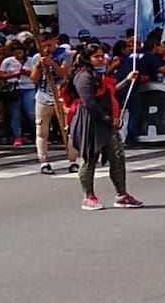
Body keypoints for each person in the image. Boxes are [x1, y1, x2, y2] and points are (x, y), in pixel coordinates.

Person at [64, 43, 143, 211]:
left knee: (117, 156)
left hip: (105, 122)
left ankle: (122, 194)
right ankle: (88, 197)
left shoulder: (100, 77)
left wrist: (128, 81)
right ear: (88, 59)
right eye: (96, 57)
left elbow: (110, 92)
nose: (101, 59)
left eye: (102, 56)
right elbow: (89, 103)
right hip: (90, 121)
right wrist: (108, 119)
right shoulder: (83, 77)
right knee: (89, 158)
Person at [31, 33, 75, 175]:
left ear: (55, 42)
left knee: (68, 130)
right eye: (43, 46)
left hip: (62, 97)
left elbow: (64, 73)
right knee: (42, 131)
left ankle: (73, 160)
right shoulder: (37, 57)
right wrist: (38, 66)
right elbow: (34, 79)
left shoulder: (65, 54)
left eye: (49, 45)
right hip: (43, 97)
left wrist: (53, 64)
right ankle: (44, 162)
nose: (46, 48)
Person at [0, 41, 36, 147]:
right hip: (14, 88)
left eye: (20, 52)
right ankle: (17, 136)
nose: (18, 55)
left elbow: (37, 72)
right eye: (16, 53)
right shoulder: (8, 61)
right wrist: (15, 74)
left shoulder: (31, 60)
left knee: (31, 113)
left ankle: (36, 135)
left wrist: (29, 73)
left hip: (29, 88)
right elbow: (0, 75)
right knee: (15, 114)